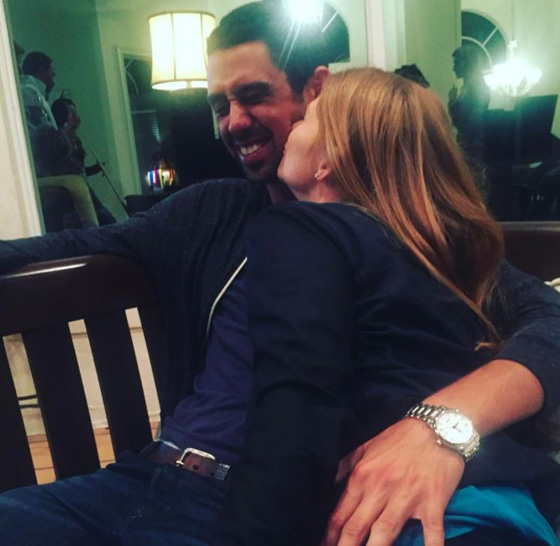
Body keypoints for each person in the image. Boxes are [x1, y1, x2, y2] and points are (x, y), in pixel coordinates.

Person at [0, 3, 559, 545]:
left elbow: (548, 319)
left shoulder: (405, 241)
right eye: (219, 105)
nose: (233, 122)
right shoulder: (209, 211)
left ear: (315, 90)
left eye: (253, 95)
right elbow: (68, 244)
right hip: (139, 476)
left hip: (252, 503)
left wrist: (439, 426)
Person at [214, 68, 560, 546]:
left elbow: (298, 403)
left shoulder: (299, 227)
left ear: (328, 162)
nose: (293, 127)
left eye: (308, 119)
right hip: (505, 501)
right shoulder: (443, 257)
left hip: (400, 516)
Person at [448, 44, 490, 162]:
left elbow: (470, 124)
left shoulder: (476, 89)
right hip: (469, 147)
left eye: (457, 63)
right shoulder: (472, 87)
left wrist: (452, 102)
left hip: (472, 149)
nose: (454, 68)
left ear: (469, 63)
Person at [50, 97, 103, 178]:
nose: (78, 119)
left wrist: (94, 169)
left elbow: (79, 172)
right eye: (73, 114)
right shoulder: (59, 144)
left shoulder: (75, 141)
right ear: (63, 118)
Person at [20, 51, 57, 135]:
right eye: (52, 73)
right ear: (41, 70)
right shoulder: (30, 94)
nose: (53, 80)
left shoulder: (33, 93)